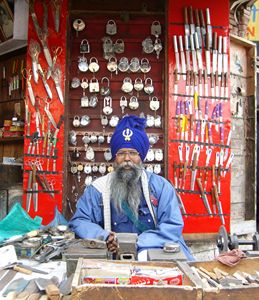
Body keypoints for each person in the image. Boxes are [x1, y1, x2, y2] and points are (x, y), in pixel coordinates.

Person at [69, 115, 194, 260]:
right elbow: (79, 221)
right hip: (113, 257)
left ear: (141, 157)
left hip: (152, 255)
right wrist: (105, 237)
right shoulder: (98, 189)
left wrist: (136, 243)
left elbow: (172, 226)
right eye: (121, 153)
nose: (127, 159)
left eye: (133, 153)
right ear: (115, 157)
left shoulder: (160, 187)